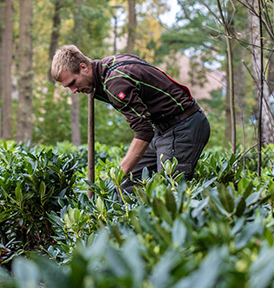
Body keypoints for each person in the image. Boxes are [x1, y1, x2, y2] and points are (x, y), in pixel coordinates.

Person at [51, 45, 210, 192]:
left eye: (73, 83)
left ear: (83, 67)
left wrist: (117, 174)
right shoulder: (108, 65)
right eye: (69, 87)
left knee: (169, 193)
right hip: (160, 128)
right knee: (126, 186)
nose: (73, 90)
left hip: (183, 126)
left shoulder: (115, 81)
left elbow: (143, 131)